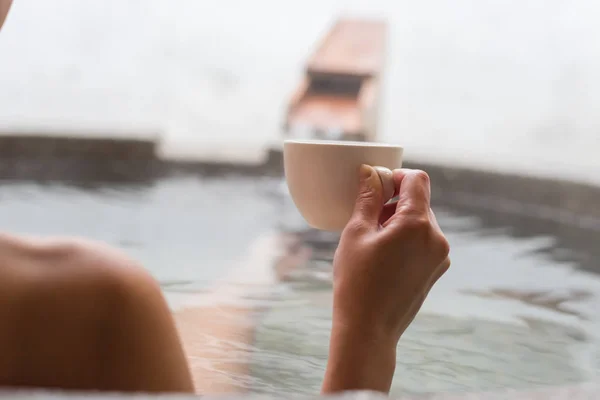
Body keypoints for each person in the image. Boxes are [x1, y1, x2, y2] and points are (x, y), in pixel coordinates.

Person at [0, 1, 450, 394]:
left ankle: (268, 257)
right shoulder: (89, 307)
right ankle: (273, 254)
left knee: (199, 339)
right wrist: (368, 334)